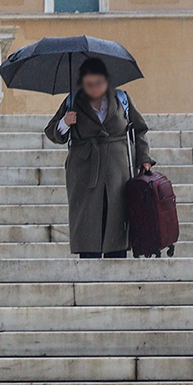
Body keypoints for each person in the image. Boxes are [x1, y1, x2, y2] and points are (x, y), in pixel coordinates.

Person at [45, 57, 154, 259]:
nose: (94, 88)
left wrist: (144, 158)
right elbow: (52, 133)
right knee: (88, 218)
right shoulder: (72, 101)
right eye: (89, 84)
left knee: (117, 214)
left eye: (99, 83)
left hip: (117, 167)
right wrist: (65, 122)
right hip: (85, 168)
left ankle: (117, 257)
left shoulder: (122, 99)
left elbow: (140, 130)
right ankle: (89, 259)